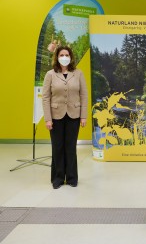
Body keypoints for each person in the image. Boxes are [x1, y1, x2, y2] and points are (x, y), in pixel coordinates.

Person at [42, 45, 88, 189]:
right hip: (55, 116)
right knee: (57, 147)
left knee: (70, 147)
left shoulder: (78, 73)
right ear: (57, 57)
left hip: (74, 115)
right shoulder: (50, 74)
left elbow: (84, 95)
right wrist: (48, 118)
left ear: (71, 57)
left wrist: (83, 116)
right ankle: (58, 177)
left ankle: (72, 177)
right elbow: (45, 97)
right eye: (61, 55)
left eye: (66, 55)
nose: (64, 57)